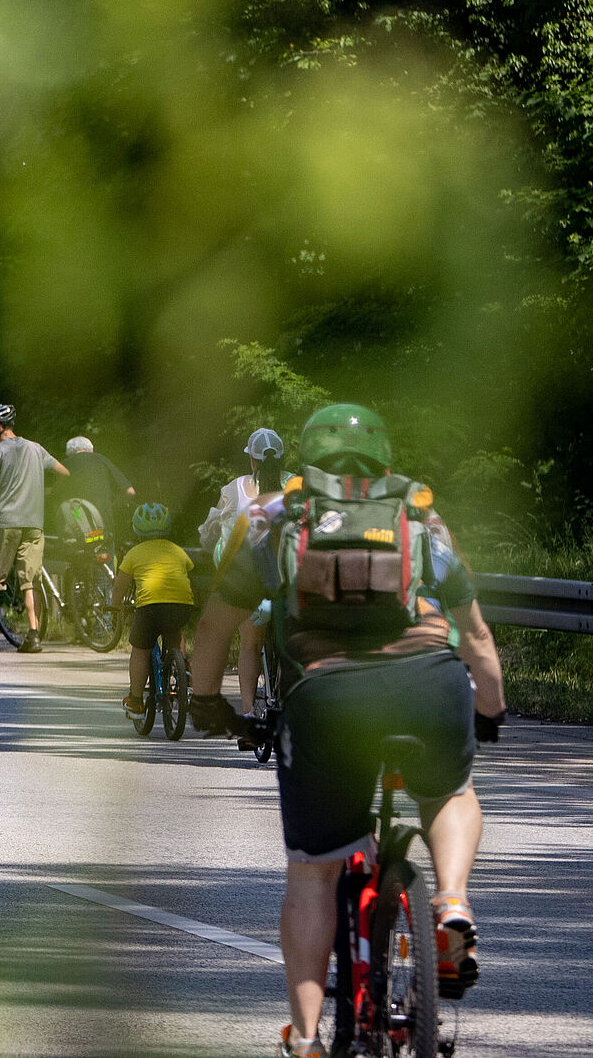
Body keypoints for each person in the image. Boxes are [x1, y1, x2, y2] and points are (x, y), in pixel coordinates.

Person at [185, 405, 506, 1058]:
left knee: (312, 873)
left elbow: (217, 625)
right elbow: (475, 635)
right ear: (383, 456)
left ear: (308, 458)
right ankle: (449, 904)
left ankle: (304, 1039)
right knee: (450, 791)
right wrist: (489, 711)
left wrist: (208, 705)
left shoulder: (278, 517)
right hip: (428, 683)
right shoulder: (418, 515)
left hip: (328, 697)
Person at [0, 405, 68, 652]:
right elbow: (64, 472)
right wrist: (47, 493)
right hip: (34, 523)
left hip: (5, 523)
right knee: (29, 580)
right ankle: (33, 634)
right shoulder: (36, 448)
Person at [201, 428, 286, 714]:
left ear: (252, 460)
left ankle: (250, 713)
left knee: (251, 645)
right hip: (289, 579)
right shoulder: (297, 486)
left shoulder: (233, 489)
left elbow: (213, 530)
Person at [112, 503, 195, 713]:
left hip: (150, 607)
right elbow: (188, 574)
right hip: (181, 604)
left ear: (136, 529)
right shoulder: (178, 551)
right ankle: (181, 671)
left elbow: (120, 585)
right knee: (175, 633)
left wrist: (115, 605)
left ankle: (136, 699)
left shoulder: (134, 553)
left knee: (141, 651)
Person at [49, 434, 135, 541]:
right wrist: (113, 508)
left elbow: (54, 498)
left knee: (77, 554)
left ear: (69, 453)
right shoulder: (101, 460)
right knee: (105, 555)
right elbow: (130, 492)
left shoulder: (63, 465)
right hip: (102, 530)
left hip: (76, 533)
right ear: (91, 449)